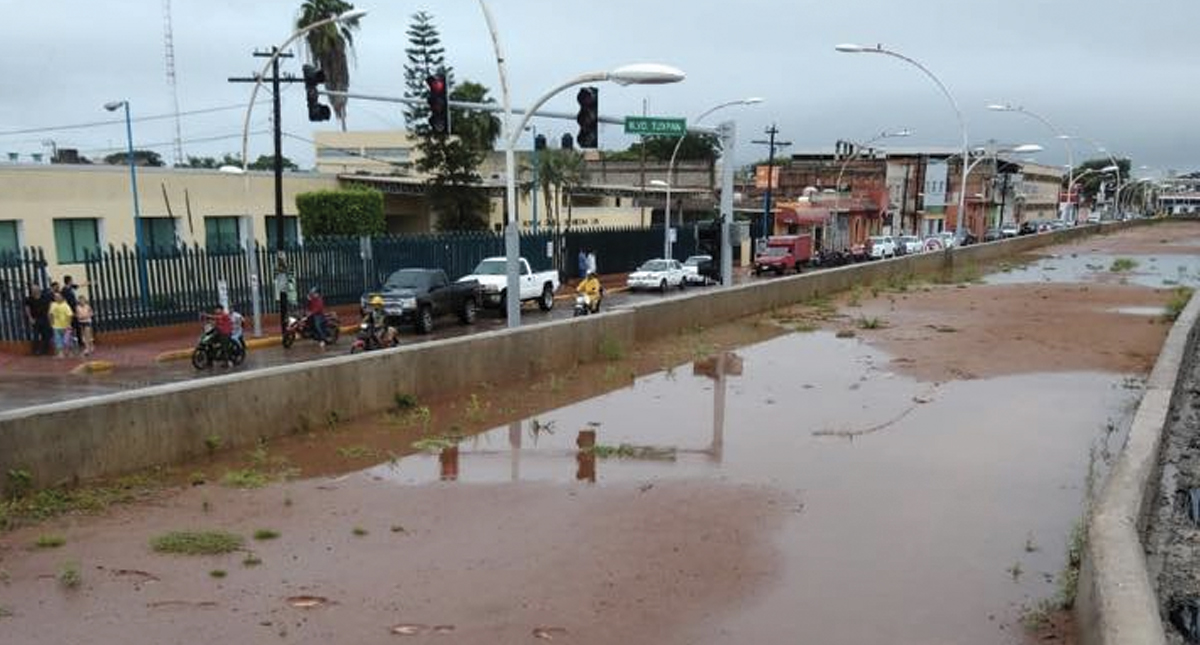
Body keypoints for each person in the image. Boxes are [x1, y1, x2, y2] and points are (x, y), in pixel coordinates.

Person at [23, 283, 52, 356]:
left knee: (46, 335)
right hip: (36, 319)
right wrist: (30, 318)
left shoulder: (45, 296)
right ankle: (35, 350)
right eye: (33, 289)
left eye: (36, 289)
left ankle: (44, 350)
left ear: (39, 289)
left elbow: (50, 305)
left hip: (45, 318)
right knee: (36, 335)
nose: (35, 290)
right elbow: (27, 308)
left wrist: (50, 317)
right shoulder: (29, 299)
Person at [48, 292, 74, 359]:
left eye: (58, 296)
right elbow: (50, 314)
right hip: (56, 326)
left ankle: (70, 352)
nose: (57, 298)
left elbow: (70, 315)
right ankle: (60, 353)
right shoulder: (53, 305)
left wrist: (69, 324)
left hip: (65, 326)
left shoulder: (65, 305)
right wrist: (51, 323)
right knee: (58, 340)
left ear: (62, 297)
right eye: (55, 297)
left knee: (67, 340)